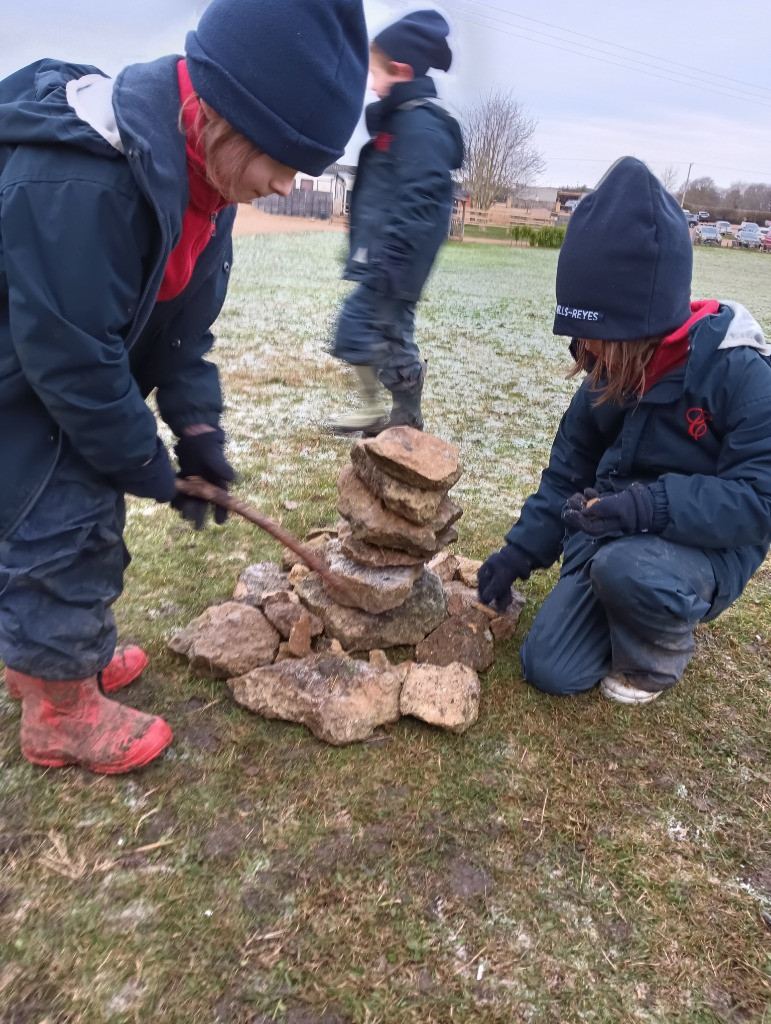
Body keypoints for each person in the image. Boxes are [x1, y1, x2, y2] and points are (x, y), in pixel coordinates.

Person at [0, 0, 368, 773]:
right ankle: (57, 712)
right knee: (62, 528)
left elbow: (180, 334)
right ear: (218, 116)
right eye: (281, 158)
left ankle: (50, 662)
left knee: (79, 517)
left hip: (67, 376)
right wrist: (145, 463)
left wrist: (198, 433)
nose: (283, 184)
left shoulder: (207, 184)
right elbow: (70, 357)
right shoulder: (83, 181)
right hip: (24, 384)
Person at [478, 156, 771, 705]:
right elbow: (566, 472)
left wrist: (650, 507)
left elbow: (760, 501)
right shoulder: (607, 374)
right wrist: (517, 555)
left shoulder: (741, 375)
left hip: (699, 550)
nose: (586, 357)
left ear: (643, 326)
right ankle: (626, 608)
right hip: (615, 533)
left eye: (598, 343)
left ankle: (656, 655)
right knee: (550, 668)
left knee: (626, 570)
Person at [329, 8, 464, 435]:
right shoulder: (402, 121)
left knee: (368, 329)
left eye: (376, 72)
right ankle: (395, 413)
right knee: (384, 331)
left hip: (395, 260)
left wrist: (393, 257)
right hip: (386, 256)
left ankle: (392, 411)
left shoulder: (419, 126)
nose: (370, 83)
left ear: (401, 70)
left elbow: (421, 197)